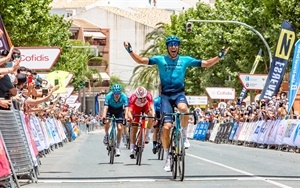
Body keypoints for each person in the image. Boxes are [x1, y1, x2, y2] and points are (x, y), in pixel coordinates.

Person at [124, 35, 229, 171]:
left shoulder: (185, 60)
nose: (173, 47)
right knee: (166, 127)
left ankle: (184, 136)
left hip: (179, 94)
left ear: (178, 47)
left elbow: (207, 63)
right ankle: (167, 157)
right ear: (168, 47)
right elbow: (141, 60)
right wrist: (130, 50)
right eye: (171, 45)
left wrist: (219, 56)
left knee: (183, 108)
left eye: (176, 44)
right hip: (165, 96)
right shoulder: (160, 59)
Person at [101, 84, 129, 157]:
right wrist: (104, 116)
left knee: (120, 128)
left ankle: (117, 147)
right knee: (107, 122)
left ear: (120, 93)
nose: (116, 95)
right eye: (115, 94)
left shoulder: (124, 97)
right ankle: (107, 135)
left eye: (118, 94)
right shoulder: (108, 96)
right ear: (113, 93)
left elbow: (126, 108)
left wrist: (126, 117)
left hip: (119, 110)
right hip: (110, 109)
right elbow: (105, 108)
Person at [127, 86, 155, 159]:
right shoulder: (133, 98)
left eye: (143, 97)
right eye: (140, 98)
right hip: (136, 110)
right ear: (137, 96)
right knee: (134, 129)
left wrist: (153, 114)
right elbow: (129, 111)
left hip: (145, 107)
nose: (142, 99)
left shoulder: (148, 95)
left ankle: (147, 135)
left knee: (151, 116)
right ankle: (132, 149)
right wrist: (130, 118)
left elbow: (151, 106)